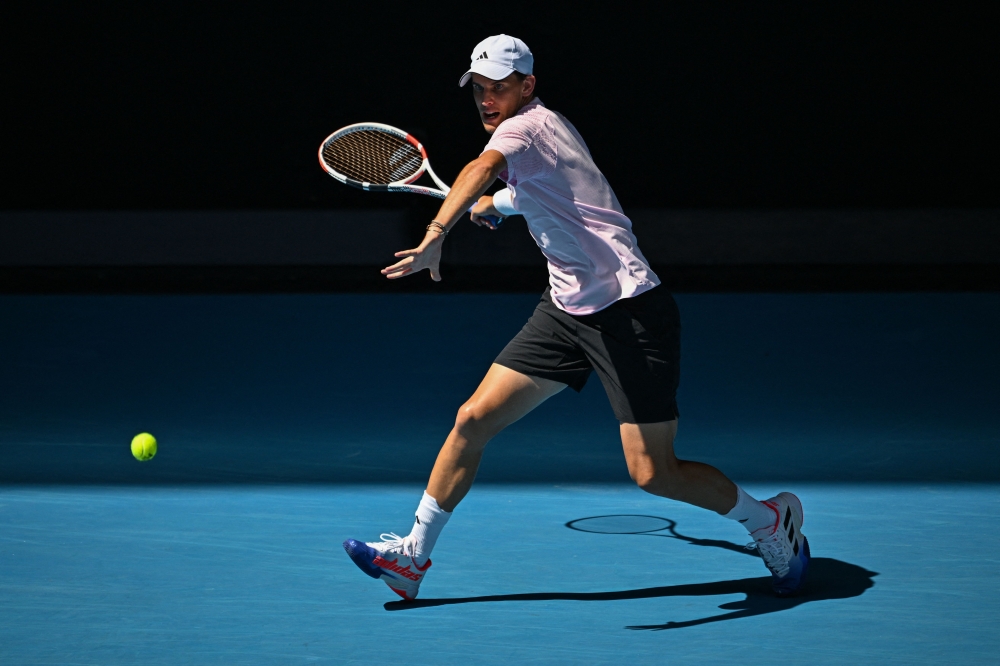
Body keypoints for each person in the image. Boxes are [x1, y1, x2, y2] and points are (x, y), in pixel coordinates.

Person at [343, 34, 810, 600]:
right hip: (565, 309)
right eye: (481, 90)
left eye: (500, 88)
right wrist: (498, 207)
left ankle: (767, 520)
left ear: (528, 86)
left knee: (653, 473)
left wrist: (437, 233)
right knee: (472, 419)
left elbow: (481, 166)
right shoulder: (542, 138)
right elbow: (540, 193)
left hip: (629, 312)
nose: (488, 100)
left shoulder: (525, 128)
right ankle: (412, 559)